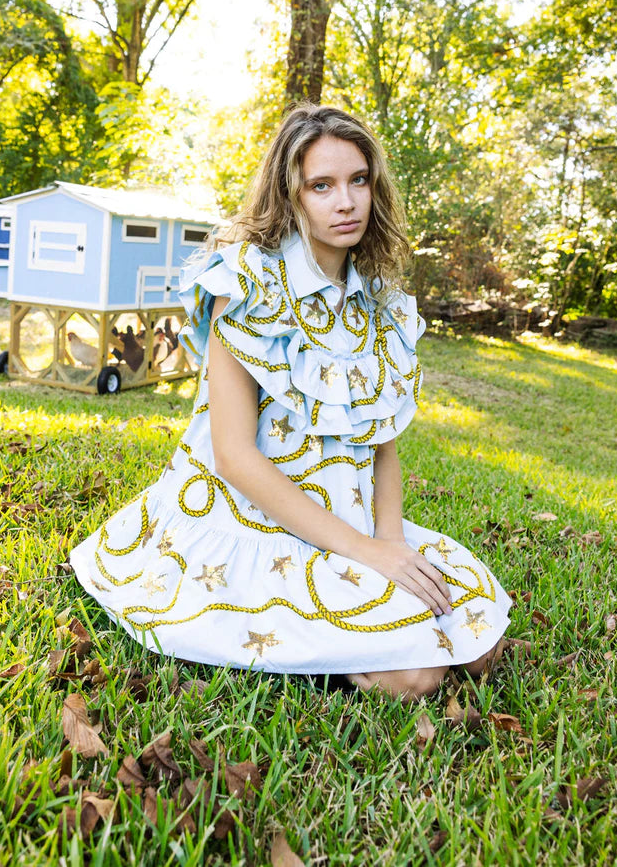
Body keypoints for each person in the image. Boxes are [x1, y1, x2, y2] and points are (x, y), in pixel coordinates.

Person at [70, 104, 511, 700]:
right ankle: (323, 642)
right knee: (417, 678)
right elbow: (233, 456)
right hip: (253, 523)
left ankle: (363, 618)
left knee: (484, 646)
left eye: (359, 181)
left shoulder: (381, 304)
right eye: (321, 186)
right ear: (290, 195)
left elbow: (384, 451)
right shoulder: (245, 286)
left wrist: (391, 545)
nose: (346, 201)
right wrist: (363, 553)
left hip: (351, 521)